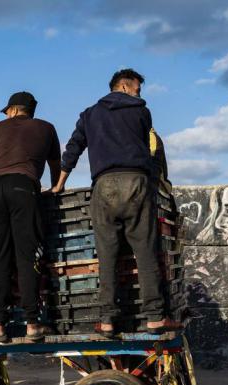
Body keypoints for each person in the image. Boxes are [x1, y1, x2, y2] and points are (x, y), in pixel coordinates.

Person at [51, 69, 166, 335]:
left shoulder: (89, 114)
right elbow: (150, 149)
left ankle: (107, 320)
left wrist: (60, 183)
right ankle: (154, 317)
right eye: (137, 88)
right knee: (146, 251)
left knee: (107, 255)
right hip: (136, 181)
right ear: (124, 87)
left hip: (104, 184)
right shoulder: (141, 112)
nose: (140, 93)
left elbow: (73, 149)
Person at [0, 91, 61, 342]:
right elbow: (56, 165)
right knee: (27, 256)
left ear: (13, 110)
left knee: (0, 257)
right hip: (24, 186)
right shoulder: (47, 128)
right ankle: (33, 324)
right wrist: (55, 187)